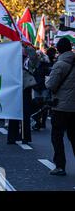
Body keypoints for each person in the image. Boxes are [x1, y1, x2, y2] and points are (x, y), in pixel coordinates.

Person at [45, 37, 75, 176]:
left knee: (57, 137)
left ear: (59, 49)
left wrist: (47, 81)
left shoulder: (60, 64)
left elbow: (51, 85)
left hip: (61, 107)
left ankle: (60, 166)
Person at [8, 44, 38, 145]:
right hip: (14, 87)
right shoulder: (11, 60)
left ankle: (25, 137)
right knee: (14, 113)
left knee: (25, 113)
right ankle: (12, 136)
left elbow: (35, 59)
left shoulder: (28, 61)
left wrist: (27, 46)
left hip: (25, 87)